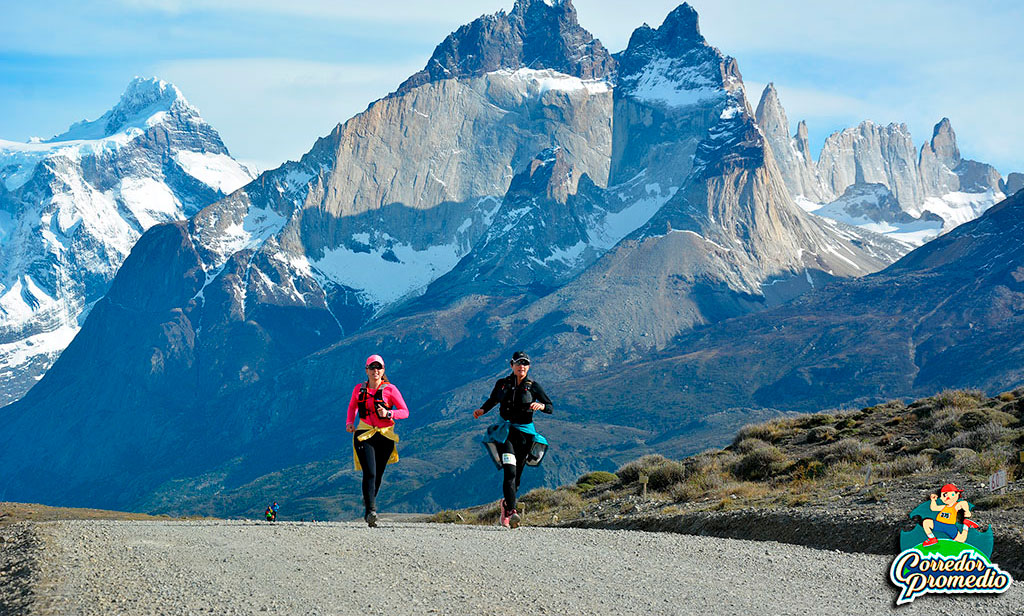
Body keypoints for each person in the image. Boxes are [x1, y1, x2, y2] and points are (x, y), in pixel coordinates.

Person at [473, 351, 553, 529]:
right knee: (509, 471)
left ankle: (506, 506)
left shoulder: (533, 387)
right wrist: (482, 410)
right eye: (518, 363)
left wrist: (541, 406)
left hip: (525, 436)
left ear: (528, 367)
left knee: (516, 477)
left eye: (525, 364)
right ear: (512, 365)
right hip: (505, 434)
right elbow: (493, 400)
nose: (521, 366)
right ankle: (512, 512)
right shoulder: (502, 384)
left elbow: (550, 407)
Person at [347, 354, 409, 527]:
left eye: (379, 367)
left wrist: (389, 413)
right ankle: (371, 511)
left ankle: (368, 500)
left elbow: (405, 411)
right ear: (366, 370)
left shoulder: (391, 390)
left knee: (378, 474)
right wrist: (350, 422)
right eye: (372, 367)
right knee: (370, 472)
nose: (375, 370)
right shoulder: (359, 389)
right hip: (364, 433)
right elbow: (352, 406)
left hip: (385, 436)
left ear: (383, 370)